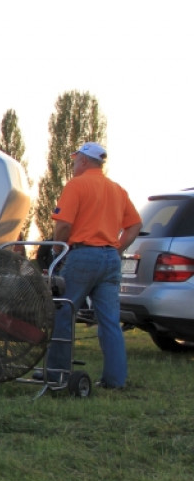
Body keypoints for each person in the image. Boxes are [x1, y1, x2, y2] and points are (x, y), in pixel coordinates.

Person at [45, 142, 142, 390]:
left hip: (82, 255)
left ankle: (56, 374)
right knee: (109, 320)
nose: (74, 163)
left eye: (76, 159)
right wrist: (117, 248)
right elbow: (134, 225)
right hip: (110, 258)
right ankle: (115, 380)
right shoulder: (117, 189)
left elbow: (64, 225)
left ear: (84, 161)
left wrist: (57, 249)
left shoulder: (76, 185)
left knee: (63, 310)